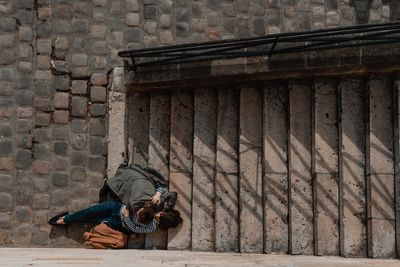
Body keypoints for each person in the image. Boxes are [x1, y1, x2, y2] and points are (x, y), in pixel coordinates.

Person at [49, 200, 182, 235]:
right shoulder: (159, 208)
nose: (157, 215)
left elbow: (135, 228)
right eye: (161, 214)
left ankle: (67, 219)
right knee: (90, 211)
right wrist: (158, 194)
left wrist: (125, 218)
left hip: (119, 221)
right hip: (116, 207)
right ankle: (66, 220)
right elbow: (166, 191)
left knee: (93, 219)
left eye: (159, 218)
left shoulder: (152, 227)